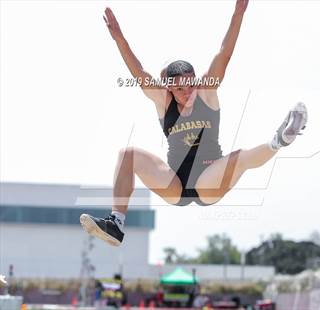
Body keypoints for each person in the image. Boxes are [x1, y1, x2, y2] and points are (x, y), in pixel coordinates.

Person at [80, 0, 308, 246]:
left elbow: (224, 54)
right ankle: (116, 224)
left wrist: (238, 13)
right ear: (168, 87)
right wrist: (119, 39)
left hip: (209, 178)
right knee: (127, 154)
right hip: (175, 183)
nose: (186, 92)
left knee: (240, 158)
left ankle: (280, 139)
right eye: (179, 88)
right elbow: (140, 73)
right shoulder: (163, 101)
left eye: (190, 84)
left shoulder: (206, 93)